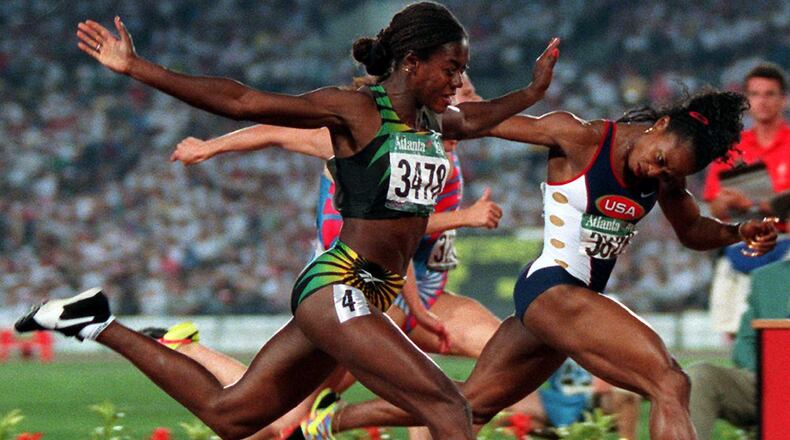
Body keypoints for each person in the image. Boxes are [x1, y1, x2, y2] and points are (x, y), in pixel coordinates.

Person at [16, 3, 560, 439]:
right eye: (452, 68)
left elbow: (479, 118)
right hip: (339, 285)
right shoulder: (358, 110)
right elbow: (243, 101)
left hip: (369, 294)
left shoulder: (433, 120)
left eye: (462, 70)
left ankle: (93, 323)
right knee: (447, 407)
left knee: (235, 417)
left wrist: (532, 94)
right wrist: (136, 67)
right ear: (413, 61)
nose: (459, 80)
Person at [299, 89, 780, 440]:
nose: (656, 173)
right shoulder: (578, 136)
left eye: (670, 173)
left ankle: (329, 421)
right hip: (552, 287)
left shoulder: (667, 177)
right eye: (660, 160)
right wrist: (393, 110)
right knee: (670, 381)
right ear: (658, 127)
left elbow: (693, 231)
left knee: (467, 405)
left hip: (564, 303)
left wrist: (737, 231)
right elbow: (472, 123)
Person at [703, 62, 790, 339]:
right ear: (746, 101)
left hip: (785, 241)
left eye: (770, 94)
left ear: (783, 99)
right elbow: (714, 206)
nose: (762, 101)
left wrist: (771, 204)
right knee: (733, 331)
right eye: (755, 94)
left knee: (779, 330)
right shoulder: (733, 148)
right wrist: (728, 201)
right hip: (742, 240)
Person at [687, 256, 790, 440]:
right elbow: (745, 342)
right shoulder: (766, 278)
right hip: (767, 382)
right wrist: (768, 378)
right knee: (700, 377)